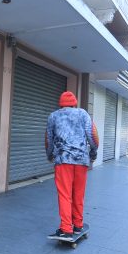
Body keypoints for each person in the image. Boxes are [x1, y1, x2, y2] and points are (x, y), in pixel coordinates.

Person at [45, 91, 99, 239]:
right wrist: (93, 153)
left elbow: (48, 140)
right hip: (81, 161)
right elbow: (93, 136)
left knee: (64, 194)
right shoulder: (83, 114)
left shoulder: (53, 116)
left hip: (63, 161)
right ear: (74, 103)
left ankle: (66, 228)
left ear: (60, 104)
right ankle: (78, 225)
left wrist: (49, 155)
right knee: (78, 194)